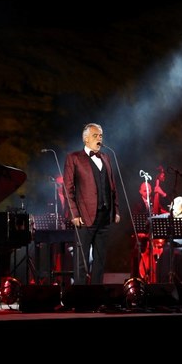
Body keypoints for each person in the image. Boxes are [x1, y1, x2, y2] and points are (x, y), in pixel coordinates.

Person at [63, 122, 121, 285]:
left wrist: (115, 209)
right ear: (86, 139)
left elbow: (112, 186)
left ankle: (96, 295)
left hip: (104, 215)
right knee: (81, 261)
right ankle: (80, 297)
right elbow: (67, 188)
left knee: (100, 259)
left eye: (101, 136)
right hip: (84, 216)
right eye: (95, 135)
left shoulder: (106, 157)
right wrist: (74, 214)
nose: (99, 139)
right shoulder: (74, 158)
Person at [155, 196, 182, 283]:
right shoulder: (169, 217)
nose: (174, 210)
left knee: (177, 254)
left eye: (177, 208)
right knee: (166, 253)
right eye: (173, 208)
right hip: (170, 245)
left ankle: (180, 282)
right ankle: (165, 281)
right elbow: (151, 220)